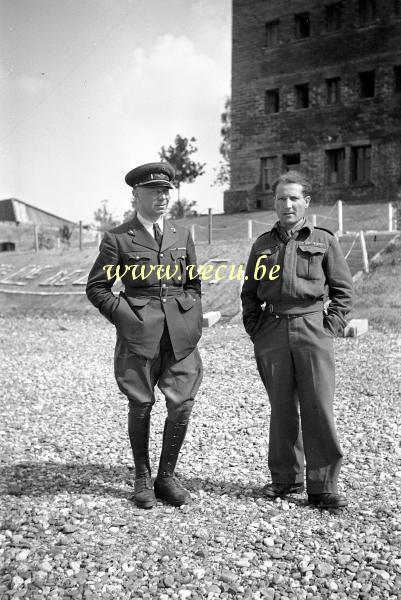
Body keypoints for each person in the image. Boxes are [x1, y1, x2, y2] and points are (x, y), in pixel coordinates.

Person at [86, 162, 203, 509]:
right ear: (136, 194)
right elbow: (97, 288)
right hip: (140, 334)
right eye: (154, 191)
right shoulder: (119, 238)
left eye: (166, 191)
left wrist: (191, 318)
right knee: (140, 402)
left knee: (182, 403)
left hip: (180, 335)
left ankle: (166, 477)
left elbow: (193, 284)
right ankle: (141, 476)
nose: (163, 197)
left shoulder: (181, 234)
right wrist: (128, 318)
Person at [241, 171, 353, 509]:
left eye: (293, 198)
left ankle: (323, 486)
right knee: (282, 408)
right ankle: (285, 480)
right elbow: (249, 293)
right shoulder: (262, 245)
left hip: (311, 327)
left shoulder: (323, 240)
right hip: (272, 330)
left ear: (306, 202)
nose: (286, 204)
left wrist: (329, 326)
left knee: (318, 405)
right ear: (274, 203)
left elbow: (343, 292)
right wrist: (255, 329)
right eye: (280, 198)